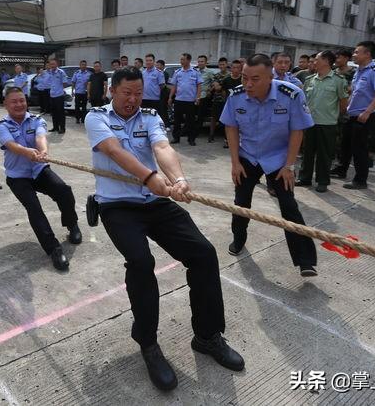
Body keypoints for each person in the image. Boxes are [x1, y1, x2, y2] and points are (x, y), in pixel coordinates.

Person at [85, 67, 244, 391]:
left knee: (203, 254)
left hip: (154, 202)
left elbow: (162, 149)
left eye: (137, 93)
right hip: (117, 205)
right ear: (112, 91)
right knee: (142, 263)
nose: (132, 99)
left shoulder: (149, 117)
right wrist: (149, 177)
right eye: (126, 93)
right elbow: (114, 151)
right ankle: (148, 343)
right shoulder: (95, 117)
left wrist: (178, 178)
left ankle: (207, 335)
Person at [220, 53, 318, 275]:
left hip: (278, 159)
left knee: (289, 206)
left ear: (270, 77)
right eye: (245, 78)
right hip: (248, 156)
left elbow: (297, 130)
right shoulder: (236, 95)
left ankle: (305, 260)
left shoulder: (291, 94)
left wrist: (290, 166)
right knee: (241, 203)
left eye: (255, 79)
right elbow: (231, 128)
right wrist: (235, 162)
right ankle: (238, 238)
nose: (248, 84)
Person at [0, 87, 81, 270]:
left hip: (39, 169)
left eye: (22, 100)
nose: (19, 104)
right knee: (34, 208)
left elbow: (41, 136)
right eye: (14, 101)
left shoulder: (36, 119)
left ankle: (72, 224)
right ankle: (54, 249)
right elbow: (10, 144)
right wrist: (26, 151)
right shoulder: (1, 125)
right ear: (5, 105)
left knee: (64, 190)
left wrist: (43, 152)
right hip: (18, 176)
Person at [331, 41, 375, 189]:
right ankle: (341, 170)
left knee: (359, 149)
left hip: (363, 116)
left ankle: (360, 180)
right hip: (352, 114)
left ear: (367, 54)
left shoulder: (374, 71)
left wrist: (367, 111)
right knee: (345, 145)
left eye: (357, 52)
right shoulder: (359, 71)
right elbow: (356, 92)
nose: (354, 55)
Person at [297, 51, 349, 192]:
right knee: (307, 153)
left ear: (326, 61)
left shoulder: (338, 80)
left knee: (324, 154)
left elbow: (343, 102)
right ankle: (305, 178)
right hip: (310, 122)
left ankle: (322, 181)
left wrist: (334, 115)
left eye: (317, 60)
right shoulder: (310, 80)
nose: (314, 62)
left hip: (328, 124)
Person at [168, 53, 202, 145]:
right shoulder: (177, 72)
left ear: (189, 60)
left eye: (183, 59)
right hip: (179, 100)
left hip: (190, 101)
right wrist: (170, 97)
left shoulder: (195, 72)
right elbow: (174, 86)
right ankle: (176, 138)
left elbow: (199, 86)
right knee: (177, 121)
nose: (181, 61)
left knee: (190, 122)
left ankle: (191, 139)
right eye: (181, 59)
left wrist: (198, 97)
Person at [196, 54, 218, 141]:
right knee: (191, 114)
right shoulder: (195, 71)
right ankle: (188, 130)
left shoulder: (210, 72)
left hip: (204, 96)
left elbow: (215, 82)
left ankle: (197, 131)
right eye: (199, 61)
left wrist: (210, 90)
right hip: (194, 95)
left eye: (202, 61)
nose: (200, 63)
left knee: (200, 115)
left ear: (206, 63)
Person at [46, 58, 70, 134]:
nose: (52, 65)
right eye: (51, 64)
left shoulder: (61, 72)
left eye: (53, 64)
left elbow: (65, 83)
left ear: (57, 64)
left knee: (61, 113)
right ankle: (55, 127)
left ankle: (62, 128)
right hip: (52, 95)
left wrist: (60, 89)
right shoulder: (49, 72)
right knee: (54, 113)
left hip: (59, 95)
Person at [156, 59, 170, 125]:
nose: (158, 66)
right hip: (156, 94)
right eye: (157, 65)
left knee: (163, 109)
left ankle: (166, 124)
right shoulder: (156, 73)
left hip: (163, 94)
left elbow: (163, 85)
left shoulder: (165, 74)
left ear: (163, 66)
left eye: (159, 65)